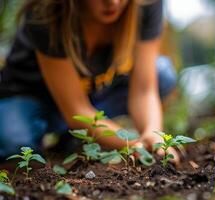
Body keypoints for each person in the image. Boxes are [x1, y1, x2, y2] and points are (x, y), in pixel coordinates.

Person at [0, 0, 180, 163]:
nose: (112, 2)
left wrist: (153, 135)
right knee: (14, 142)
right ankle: (68, 132)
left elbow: (144, 90)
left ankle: (73, 136)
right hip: (30, 95)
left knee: (161, 73)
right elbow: (76, 110)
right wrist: (132, 143)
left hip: (90, 95)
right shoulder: (47, 11)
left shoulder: (145, 4)